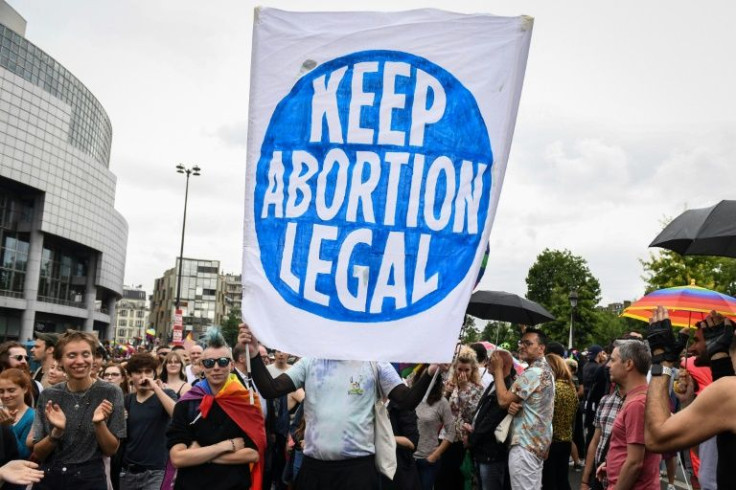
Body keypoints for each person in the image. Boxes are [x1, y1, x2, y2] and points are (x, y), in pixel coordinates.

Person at [241, 324, 438, 490]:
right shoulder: (310, 362)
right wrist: (254, 354)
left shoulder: (375, 363)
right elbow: (270, 389)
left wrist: (429, 372)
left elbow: (407, 401)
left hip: (358, 472)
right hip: (314, 470)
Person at [644, 307, 736, 489]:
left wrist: (661, 362)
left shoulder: (729, 392)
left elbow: (656, 438)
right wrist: (719, 357)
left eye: (697, 340)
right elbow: (712, 447)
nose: (692, 348)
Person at [167, 328, 264, 490]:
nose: (216, 367)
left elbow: (253, 454)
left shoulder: (247, 402)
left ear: (232, 365)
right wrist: (226, 446)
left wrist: (199, 454)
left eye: (223, 361)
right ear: (202, 367)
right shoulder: (187, 403)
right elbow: (177, 458)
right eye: (209, 363)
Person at [31, 329, 126, 490]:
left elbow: (111, 450)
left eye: (86, 354)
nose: (80, 361)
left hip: (90, 478)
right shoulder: (49, 394)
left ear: (93, 357)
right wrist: (56, 433)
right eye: (72, 355)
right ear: (60, 361)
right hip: (50, 477)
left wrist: (99, 424)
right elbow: (38, 453)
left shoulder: (111, 392)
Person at [490, 328, 554, 490]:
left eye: (528, 343)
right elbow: (540, 408)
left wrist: (497, 369)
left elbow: (503, 400)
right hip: (536, 444)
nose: (522, 346)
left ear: (541, 348)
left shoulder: (535, 372)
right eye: (521, 342)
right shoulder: (546, 371)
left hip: (525, 446)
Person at [597, 339, 660, 489]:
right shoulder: (636, 398)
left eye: (612, 360)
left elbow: (635, 463)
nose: (608, 365)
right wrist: (611, 465)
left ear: (629, 364)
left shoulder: (637, 404)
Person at [119, 354, 177, 490]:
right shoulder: (127, 400)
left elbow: (177, 414)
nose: (143, 376)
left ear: (154, 373)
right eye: (138, 372)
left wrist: (156, 388)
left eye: (148, 372)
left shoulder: (166, 394)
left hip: (155, 472)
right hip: (128, 471)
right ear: (130, 376)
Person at [466, 349, 518, 490]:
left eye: (493, 359)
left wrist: (471, 440)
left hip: (491, 453)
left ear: (503, 364)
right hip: (482, 450)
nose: (488, 362)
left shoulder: (506, 388)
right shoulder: (494, 383)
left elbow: (491, 420)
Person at [436, 346, 483, 489]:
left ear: (473, 370)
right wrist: (447, 394)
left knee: (457, 476)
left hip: (461, 438)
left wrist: (464, 390)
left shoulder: (477, 388)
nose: (462, 373)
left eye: (466, 370)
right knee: (442, 475)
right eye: (460, 369)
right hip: (444, 435)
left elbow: (471, 414)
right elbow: (438, 411)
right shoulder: (449, 384)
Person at [413, 366, 455, 490]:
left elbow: (451, 432)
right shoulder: (410, 399)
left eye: (429, 377)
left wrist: (435, 455)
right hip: (408, 460)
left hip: (427, 460)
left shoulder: (442, 402)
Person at [542, 353, 578, 490]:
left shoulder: (552, 387)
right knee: (562, 480)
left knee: (549, 482)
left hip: (551, 442)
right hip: (566, 440)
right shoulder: (571, 387)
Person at [580, 385, 623, 490]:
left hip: (621, 481)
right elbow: (595, 441)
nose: (609, 367)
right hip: (599, 478)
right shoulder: (605, 400)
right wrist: (585, 481)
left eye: (613, 366)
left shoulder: (639, 403)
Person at [0, 369, 35, 459]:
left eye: (11, 390)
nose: (6, 395)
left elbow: (23, 455)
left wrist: (8, 427)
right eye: (1, 391)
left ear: (25, 389)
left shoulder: (33, 417)